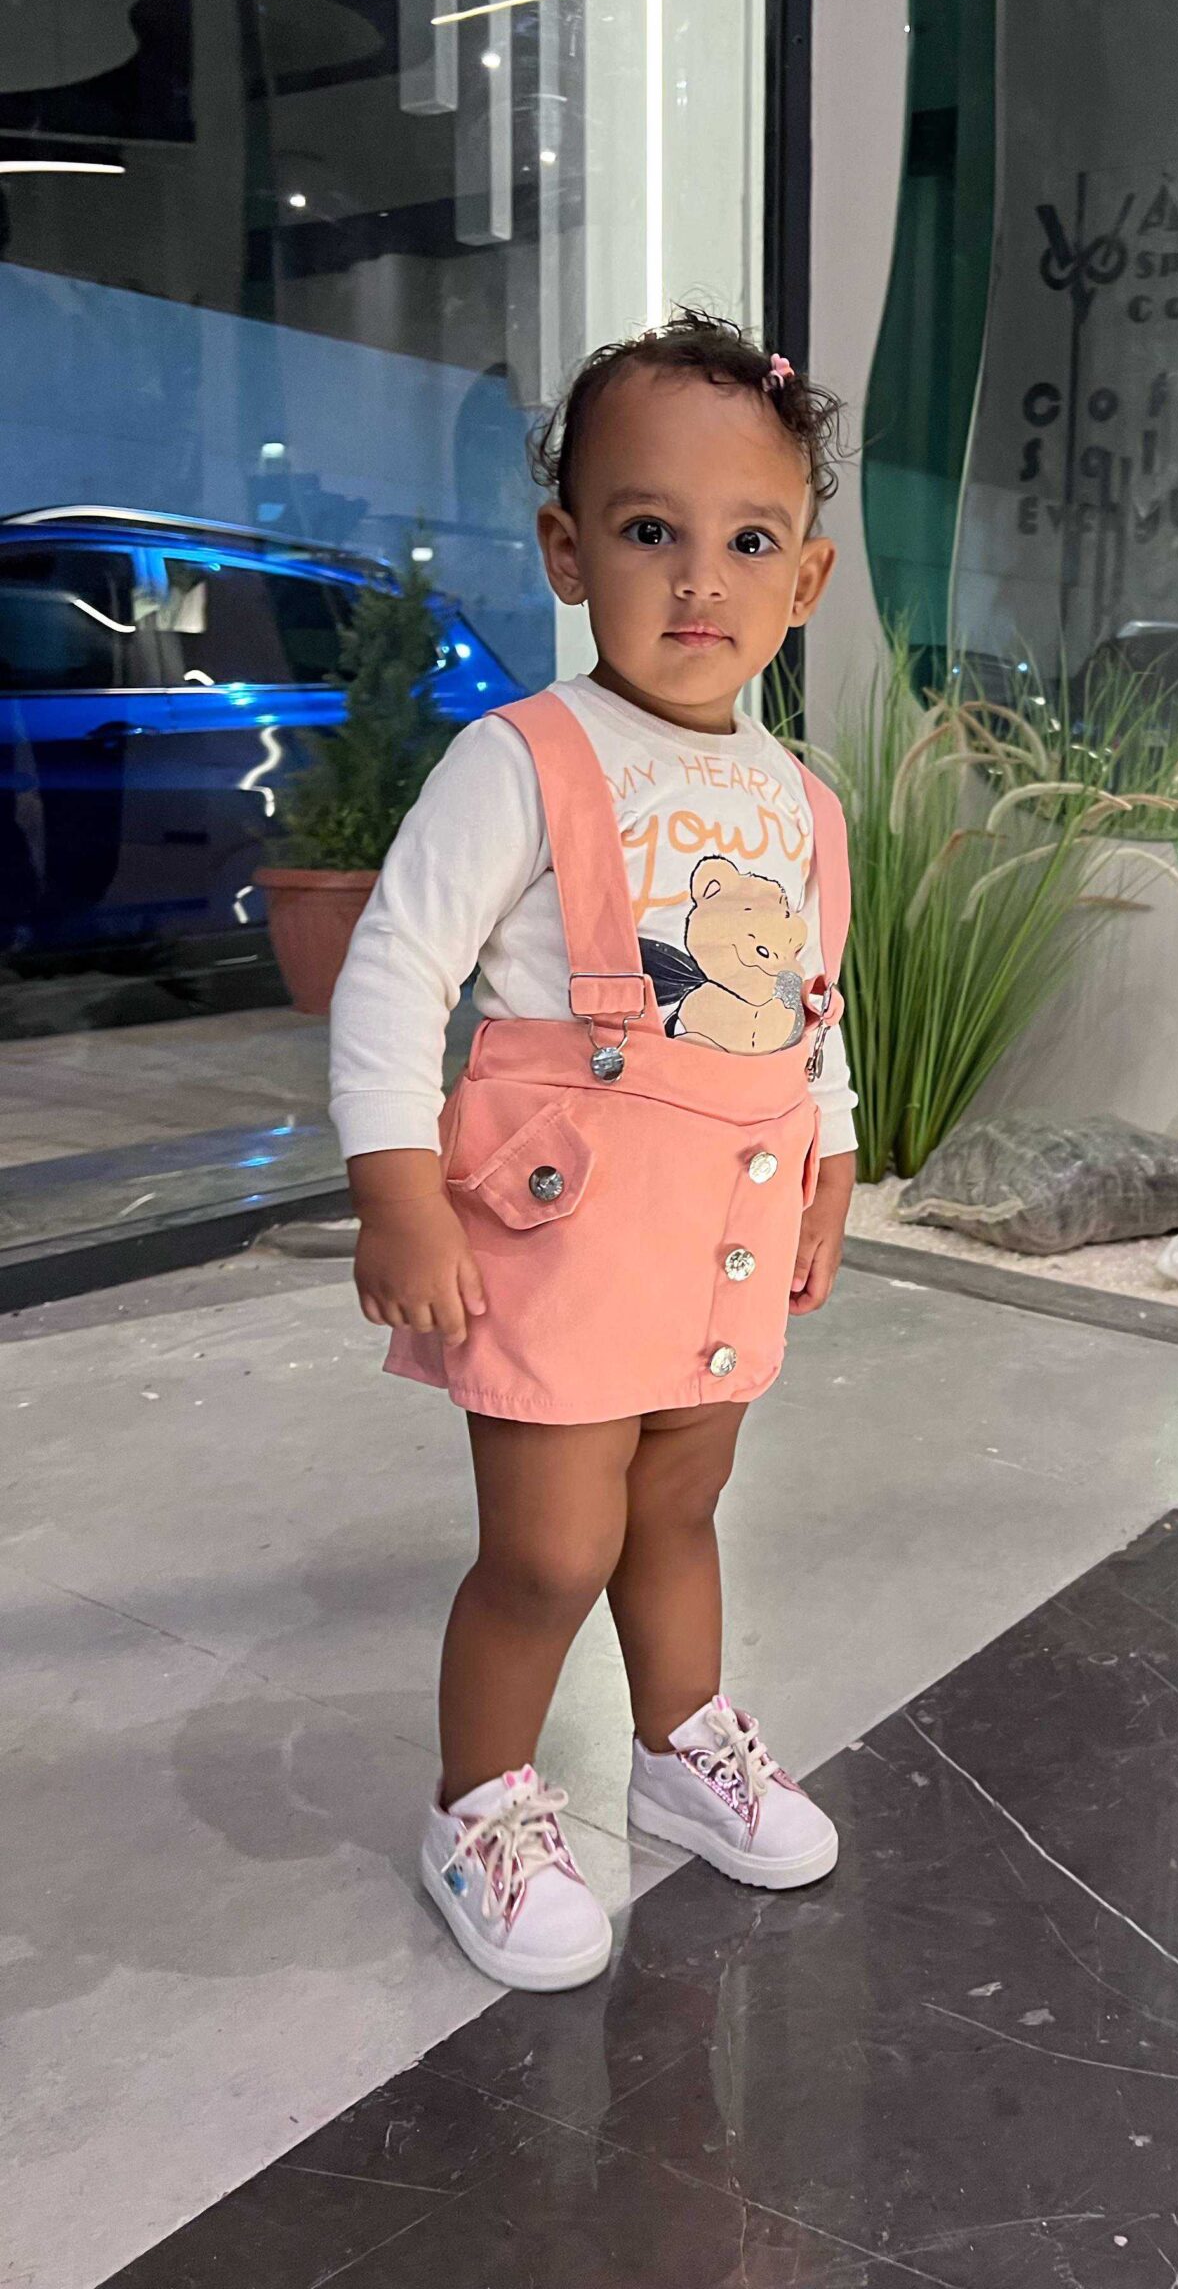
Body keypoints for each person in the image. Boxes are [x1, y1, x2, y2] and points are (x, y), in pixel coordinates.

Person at [328, 312, 857, 1991]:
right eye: (648, 531)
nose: (700, 581)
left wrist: (832, 1165)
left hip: (726, 1219)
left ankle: (679, 1743)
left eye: (749, 542)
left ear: (806, 580)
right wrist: (395, 1186)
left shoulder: (804, 802)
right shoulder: (523, 760)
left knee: (683, 1502)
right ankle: (480, 1802)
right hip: (563, 1233)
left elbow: (812, 1009)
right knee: (553, 1544)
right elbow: (395, 970)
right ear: (569, 552)